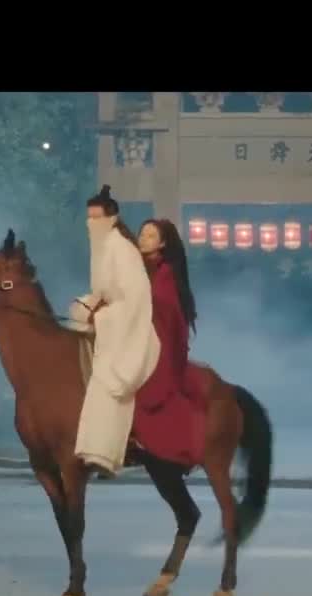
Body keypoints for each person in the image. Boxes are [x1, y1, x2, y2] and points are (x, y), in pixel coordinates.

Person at [70, 186, 160, 477]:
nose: (92, 225)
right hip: (110, 324)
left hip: (127, 329)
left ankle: (106, 453)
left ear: (111, 219)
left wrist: (102, 317)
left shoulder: (122, 249)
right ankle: (90, 449)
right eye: (89, 219)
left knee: (108, 381)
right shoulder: (102, 247)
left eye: (97, 219)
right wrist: (85, 307)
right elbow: (102, 292)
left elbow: (135, 300)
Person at [129, 219, 205, 469]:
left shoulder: (164, 274)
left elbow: (163, 312)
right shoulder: (141, 268)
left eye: (151, 236)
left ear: (162, 243)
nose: (143, 239)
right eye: (142, 234)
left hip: (160, 344)